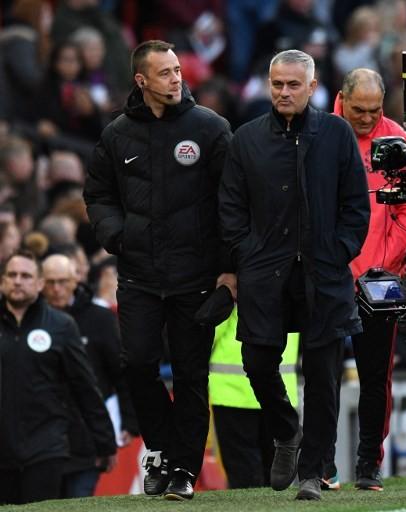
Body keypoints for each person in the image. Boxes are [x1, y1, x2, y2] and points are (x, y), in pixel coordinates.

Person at [83, 40, 234, 501]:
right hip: (140, 274)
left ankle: (184, 470)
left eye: (177, 70)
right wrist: (117, 235)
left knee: (191, 374)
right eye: (165, 72)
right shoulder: (116, 135)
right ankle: (163, 451)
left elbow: (232, 203)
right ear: (141, 80)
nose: (176, 78)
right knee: (139, 365)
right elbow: (98, 194)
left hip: (195, 275)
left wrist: (228, 272)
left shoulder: (210, 129)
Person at [219, 49, 370, 501]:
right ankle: (287, 430)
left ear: (312, 85)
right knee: (257, 363)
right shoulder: (246, 139)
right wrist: (249, 255)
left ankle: (312, 473)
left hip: (324, 275)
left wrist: (338, 251)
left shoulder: (337, 134)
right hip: (266, 275)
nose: (284, 92)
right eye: (277, 84)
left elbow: (356, 207)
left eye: (292, 85)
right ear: (269, 85)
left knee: (323, 378)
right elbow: (230, 207)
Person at [328, 68, 406, 491]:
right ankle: (322, 463)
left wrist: (383, 264)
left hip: (381, 277)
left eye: (374, 110)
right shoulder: (322, 134)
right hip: (332, 275)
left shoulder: (396, 138)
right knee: (322, 371)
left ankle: (368, 465)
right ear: (342, 98)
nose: (366, 118)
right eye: (358, 110)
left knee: (376, 376)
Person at [0, 251, 116, 505]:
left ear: (39, 283)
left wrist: (105, 442)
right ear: (2, 281)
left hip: (46, 448)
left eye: (26, 275)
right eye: (12, 275)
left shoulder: (61, 325)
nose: (17, 281)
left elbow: (84, 386)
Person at [41, 253, 137, 497]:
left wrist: (129, 420)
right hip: (42, 438)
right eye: (50, 282)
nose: (56, 289)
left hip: (87, 436)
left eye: (62, 281)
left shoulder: (99, 319)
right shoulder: (30, 321)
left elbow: (120, 372)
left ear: (76, 280)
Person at [209, 308, 299, 489]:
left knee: (244, 478)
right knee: (277, 478)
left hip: (232, 393)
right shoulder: (289, 285)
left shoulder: (238, 282)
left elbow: (209, 331)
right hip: (280, 396)